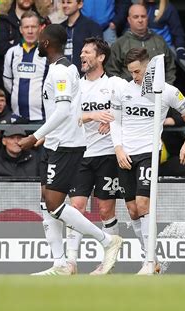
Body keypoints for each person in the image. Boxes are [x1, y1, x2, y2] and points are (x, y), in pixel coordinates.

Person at [18, 24, 123, 276]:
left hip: (67, 146)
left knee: (55, 205)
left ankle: (108, 241)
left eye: (40, 38)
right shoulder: (59, 69)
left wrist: (35, 136)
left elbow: (64, 111)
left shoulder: (63, 72)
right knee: (47, 203)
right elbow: (67, 111)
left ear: (46, 43)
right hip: (54, 144)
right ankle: (60, 263)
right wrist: (45, 137)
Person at [109, 47, 185, 274]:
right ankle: (152, 259)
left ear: (149, 68)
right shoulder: (123, 90)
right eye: (131, 72)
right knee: (131, 210)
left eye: (138, 72)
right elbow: (115, 122)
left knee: (143, 204)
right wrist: (118, 149)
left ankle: (149, 261)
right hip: (125, 154)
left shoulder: (167, 91)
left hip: (149, 152)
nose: (135, 77)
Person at [65, 37, 123, 275]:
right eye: (81, 52)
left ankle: (108, 262)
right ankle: (70, 262)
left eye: (87, 52)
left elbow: (132, 111)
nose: (82, 56)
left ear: (101, 58)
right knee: (75, 207)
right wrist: (93, 116)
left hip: (107, 154)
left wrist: (113, 121)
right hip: (80, 153)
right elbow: (67, 118)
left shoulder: (116, 84)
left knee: (106, 211)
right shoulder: (75, 86)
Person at [105, 3, 176, 84]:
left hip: (158, 92)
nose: (140, 20)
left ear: (147, 18)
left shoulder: (159, 41)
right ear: (129, 20)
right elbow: (112, 72)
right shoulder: (119, 44)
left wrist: (166, 87)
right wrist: (123, 91)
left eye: (143, 16)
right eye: (136, 17)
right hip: (129, 92)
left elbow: (170, 68)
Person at [3, 10, 48, 123]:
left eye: (33, 27)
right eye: (26, 27)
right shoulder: (12, 53)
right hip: (17, 118)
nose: (30, 31)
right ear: (20, 29)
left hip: (43, 118)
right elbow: (8, 82)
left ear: (41, 28)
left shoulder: (48, 53)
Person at [0, 0, 47, 67]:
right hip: (10, 71)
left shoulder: (43, 20)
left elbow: (47, 50)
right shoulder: (3, 21)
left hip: (39, 70)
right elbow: (4, 51)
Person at [60, 0, 103, 76]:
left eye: (69, 2)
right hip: (62, 76)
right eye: (63, 2)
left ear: (80, 4)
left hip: (85, 77)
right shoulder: (59, 28)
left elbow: (98, 54)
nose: (65, 5)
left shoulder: (92, 27)